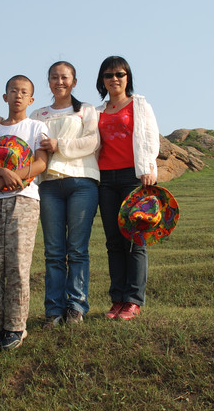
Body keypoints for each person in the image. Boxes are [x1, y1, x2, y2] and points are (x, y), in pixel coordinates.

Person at [30, 62, 99, 327]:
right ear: (48, 81)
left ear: (74, 81)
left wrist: (60, 145)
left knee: (78, 249)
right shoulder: (38, 114)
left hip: (82, 181)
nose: (60, 81)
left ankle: (76, 307)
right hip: (49, 184)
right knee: (54, 251)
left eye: (65, 77)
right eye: (54, 77)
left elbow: (92, 142)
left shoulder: (87, 110)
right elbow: (24, 136)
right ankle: (54, 310)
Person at [0, 75, 48, 350]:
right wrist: (0, 174)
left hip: (24, 200)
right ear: (5, 96)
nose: (18, 96)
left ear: (31, 100)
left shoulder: (36, 127)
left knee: (18, 266)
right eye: (13, 91)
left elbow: (41, 163)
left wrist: (9, 179)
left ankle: (16, 327)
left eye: (24, 92)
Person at [95, 56, 160, 321]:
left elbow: (149, 137)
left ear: (127, 77)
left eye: (119, 74)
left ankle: (133, 300)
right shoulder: (96, 111)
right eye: (109, 75)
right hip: (104, 179)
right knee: (113, 242)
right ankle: (117, 299)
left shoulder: (140, 105)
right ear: (102, 80)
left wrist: (149, 168)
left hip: (132, 178)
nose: (114, 79)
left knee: (134, 239)